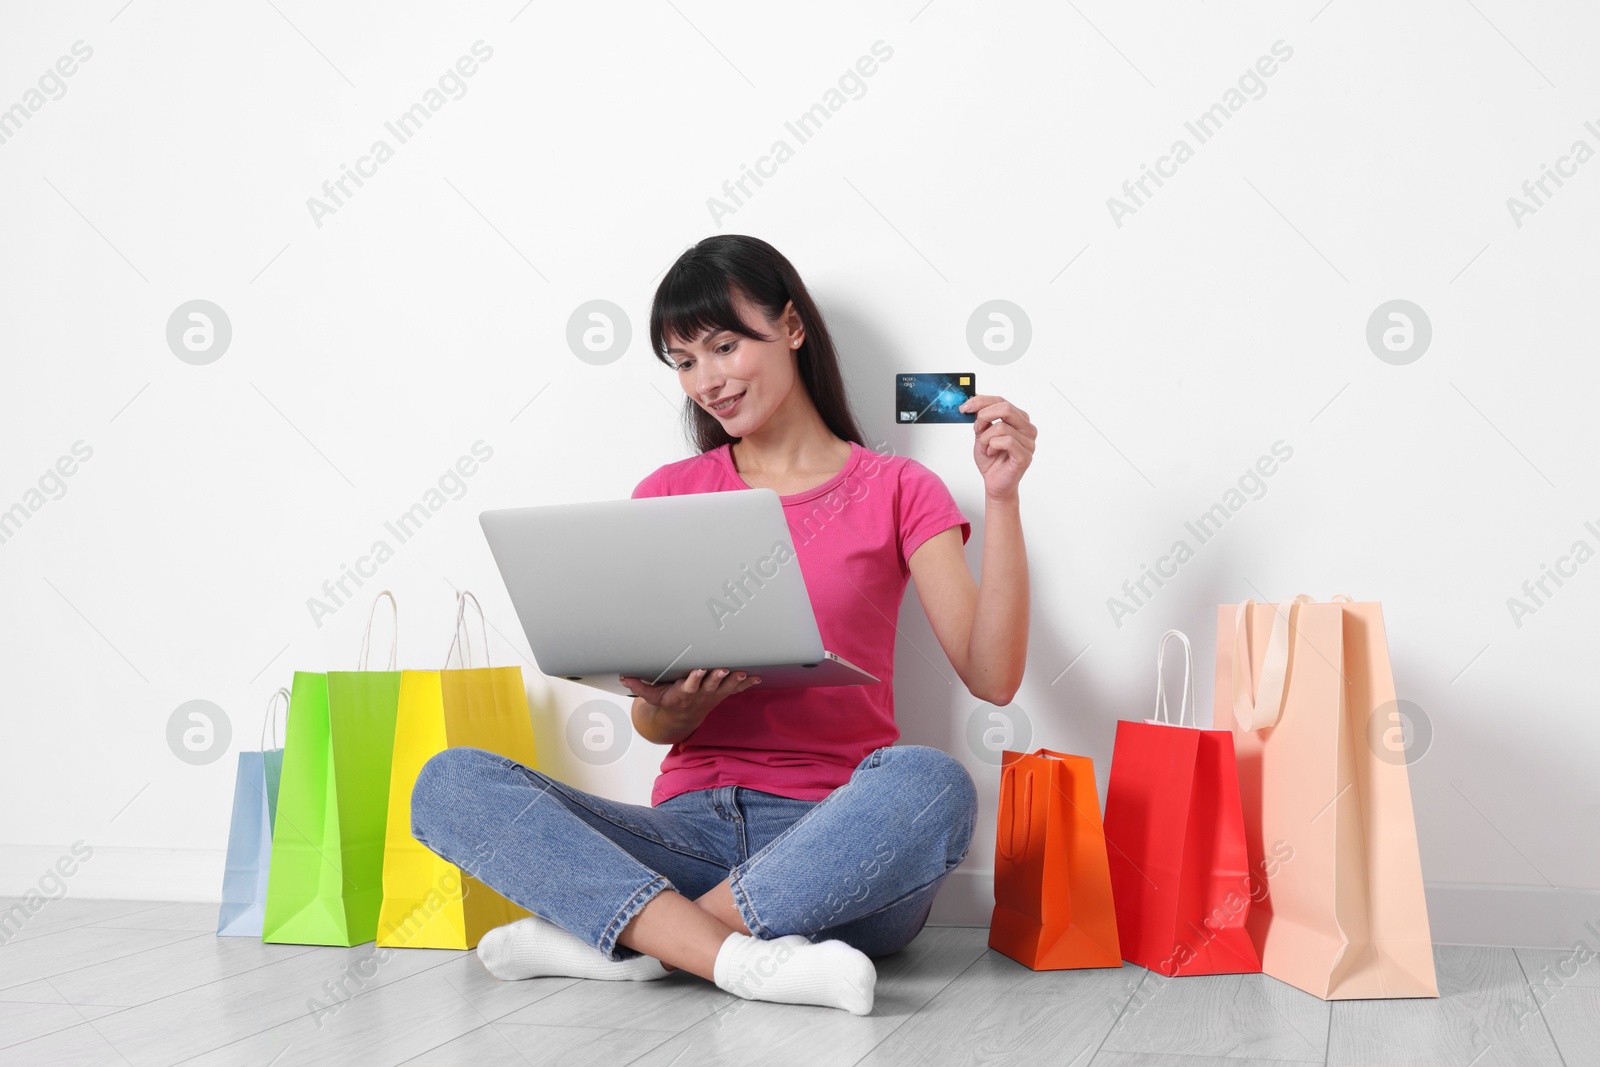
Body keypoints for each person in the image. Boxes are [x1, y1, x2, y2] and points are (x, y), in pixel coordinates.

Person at [410, 234, 1035, 1015]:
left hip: (838, 849)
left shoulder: (898, 487)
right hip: (686, 840)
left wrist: (1002, 498)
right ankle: (735, 958)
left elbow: (992, 675)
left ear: (793, 327)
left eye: (724, 345)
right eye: (683, 361)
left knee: (934, 782)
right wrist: (674, 710)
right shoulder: (670, 492)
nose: (706, 380)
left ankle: (640, 944)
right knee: (450, 782)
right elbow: (649, 719)